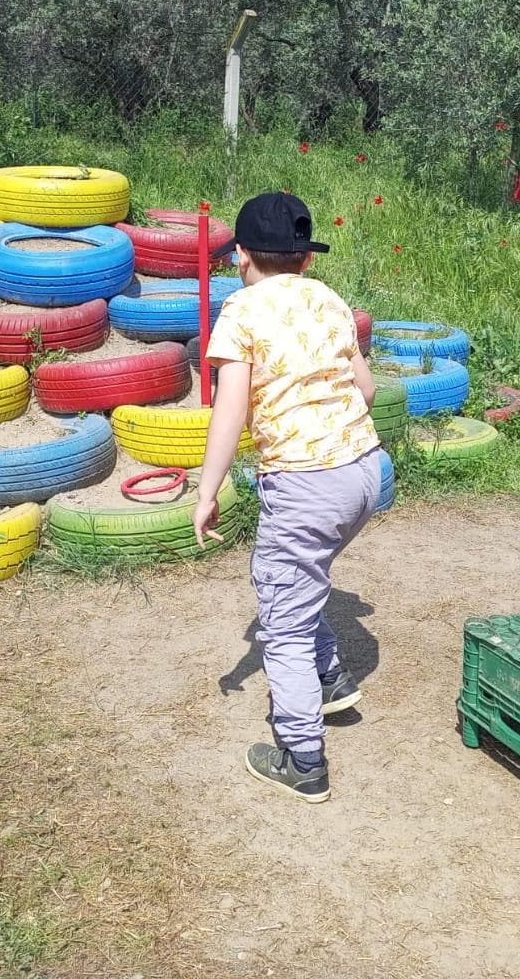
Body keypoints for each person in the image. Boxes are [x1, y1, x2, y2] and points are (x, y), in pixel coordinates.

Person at [193, 191, 381, 804]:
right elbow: (367, 389)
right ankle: (329, 679)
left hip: (305, 483)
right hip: (363, 472)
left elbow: (229, 410)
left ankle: (301, 759)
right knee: (302, 582)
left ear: (240, 256)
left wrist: (207, 490)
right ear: (304, 259)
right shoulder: (327, 299)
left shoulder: (241, 312)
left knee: (282, 623)